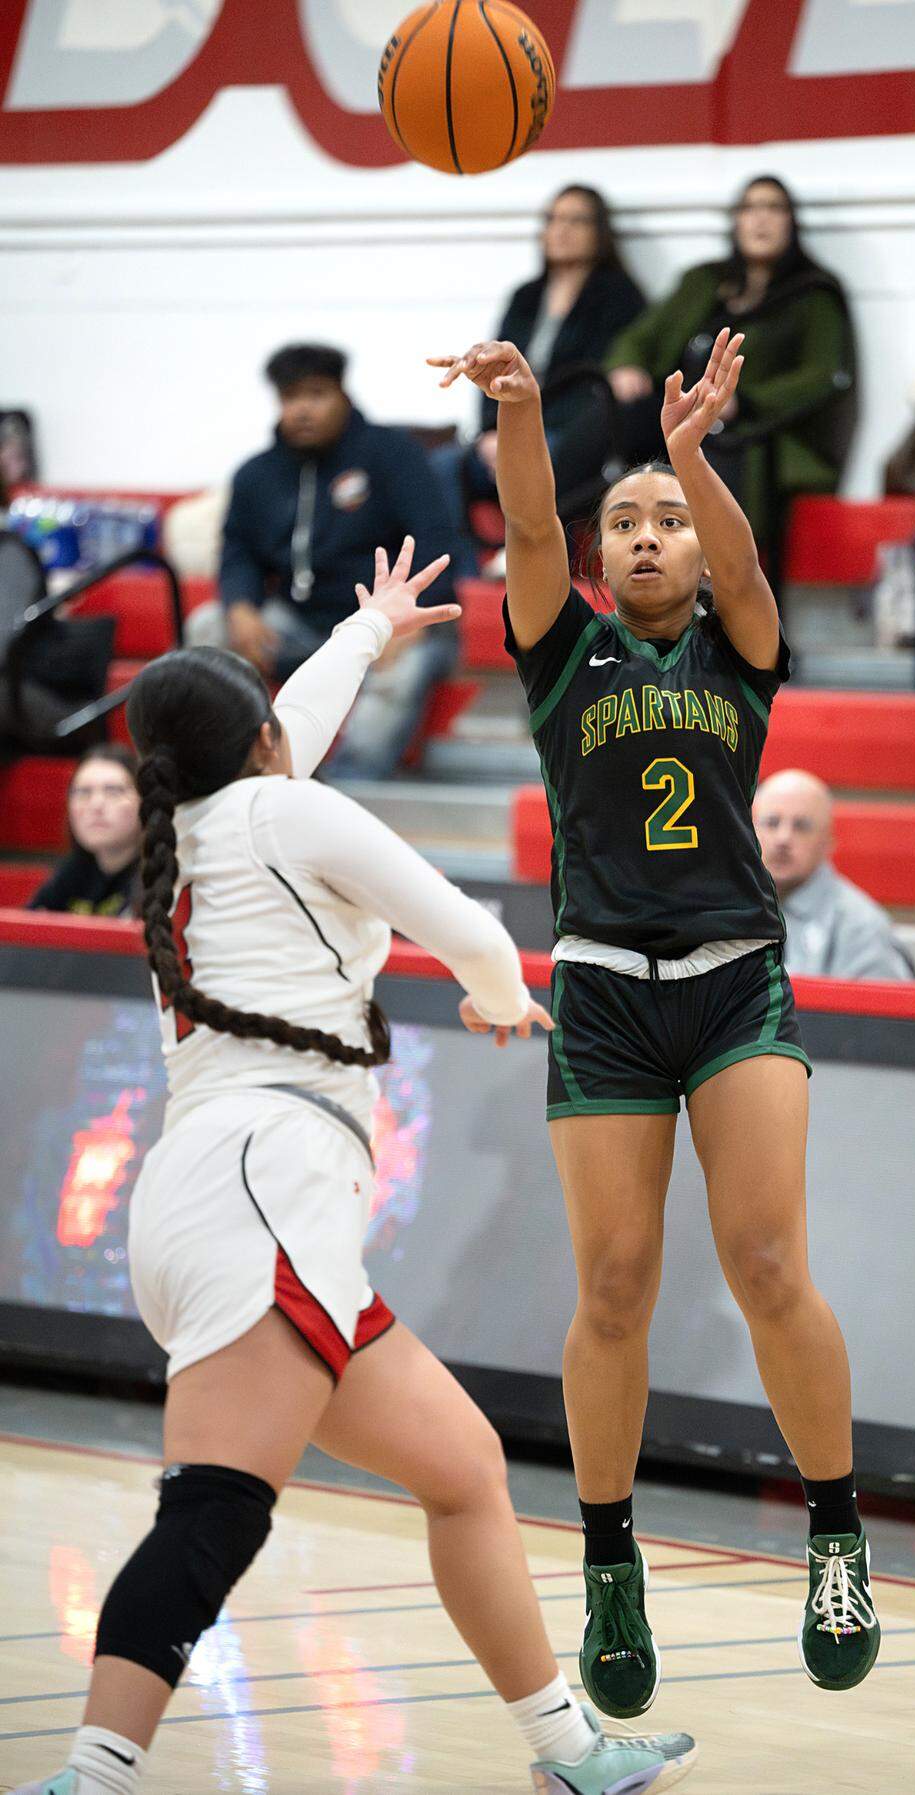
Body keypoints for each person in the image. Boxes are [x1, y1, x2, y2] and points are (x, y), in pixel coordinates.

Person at [13, 542, 697, 1795]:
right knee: (214, 1513)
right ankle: (92, 1777)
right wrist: (499, 998)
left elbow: (287, 739)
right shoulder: (279, 808)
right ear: (260, 735)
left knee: (463, 1470)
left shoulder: (200, 819)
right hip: (265, 1191)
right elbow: (478, 934)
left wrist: (370, 630)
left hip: (220, 1196)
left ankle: (568, 1749)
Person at [430, 328, 880, 1722]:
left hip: (738, 976)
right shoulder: (564, 658)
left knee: (763, 1259)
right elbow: (521, 522)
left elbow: (747, 571)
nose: (642, 538)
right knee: (613, 1286)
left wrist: (693, 456)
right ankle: (612, 1562)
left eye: (663, 522)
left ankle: (837, 1533)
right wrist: (518, 408)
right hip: (605, 991)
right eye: (622, 520)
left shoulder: (743, 649)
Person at [186, 343, 461, 777]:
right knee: (208, 625)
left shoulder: (393, 454)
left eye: (316, 394)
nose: (302, 410)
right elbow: (238, 550)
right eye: (290, 398)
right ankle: (229, 772)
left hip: (389, 621)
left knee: (404, 666)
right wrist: (240, 607)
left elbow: (435, 539)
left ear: (342, 395)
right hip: (300, 623)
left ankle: (349, 789)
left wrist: (404, 621)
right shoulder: (256, 474)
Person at [604, 174, 856, 547]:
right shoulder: (704, 281)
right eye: (750, 208)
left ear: (792, 222)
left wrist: (743, 402)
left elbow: (824, 375)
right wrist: (627, 364)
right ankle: (553, 529)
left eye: (774, 208)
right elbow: (641, 336)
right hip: (680, 412)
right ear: (736, 221)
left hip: (756, 432)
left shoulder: (813, 293)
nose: (761, 219)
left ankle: (710, 581)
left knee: (716, 446)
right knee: (611, 415)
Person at [435, 185, 645, 577]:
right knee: (445, 466)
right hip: (506, 427)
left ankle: (536, 576)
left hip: (565, 435)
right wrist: (488, 432)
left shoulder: (619, 296)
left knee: (551, 458)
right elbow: (491, 363)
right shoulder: (526, 296)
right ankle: (463, 582)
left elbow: (598, 385)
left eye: (576, 220)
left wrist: (526, 429)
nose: (561, 229)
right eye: (553, 219)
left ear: (599, 232)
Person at [753, 770, 915, 981]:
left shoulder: (862, 929)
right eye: (772, 823)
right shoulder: (727, 908)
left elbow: (884, 1012)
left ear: (827, 842)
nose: (783, 838)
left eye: (802, 826)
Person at [28, 746, 142, 917]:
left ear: (146, 802)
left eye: (114, 791)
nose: (96, 804)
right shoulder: (72, 872)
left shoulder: (161, 875)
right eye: (83, 792)